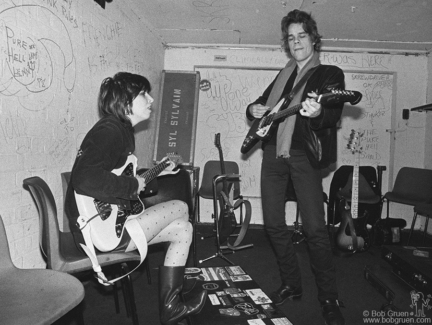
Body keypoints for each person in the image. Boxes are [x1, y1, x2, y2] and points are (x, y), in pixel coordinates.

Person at [65, 72, 206, 325]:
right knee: (181, 206)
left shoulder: (120, 130)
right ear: (126, 100)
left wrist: (159, 171)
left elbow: (121, 179)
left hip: (110, 224)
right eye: (144, 94)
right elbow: (84, 178)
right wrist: (132, 184)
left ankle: (171, 306)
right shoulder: (110, 130)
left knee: (184, 229)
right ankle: (177, 292)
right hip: (98, 232)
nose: (151, 99)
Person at [245, 10, 345, 325]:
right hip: (273, 152)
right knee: (274, 224)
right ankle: (292, 281)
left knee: (315, 229)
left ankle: (328, 296)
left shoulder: (329, 73)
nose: (296, 41)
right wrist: (253, 108)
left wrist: (316, 112)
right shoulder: (283, 74)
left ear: (313, 38)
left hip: (304, 154)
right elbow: (261, 107)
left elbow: (332, 115)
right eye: (291, 37)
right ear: (286, 44)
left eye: (302, 35)